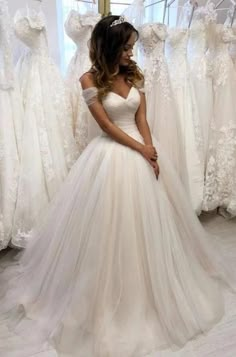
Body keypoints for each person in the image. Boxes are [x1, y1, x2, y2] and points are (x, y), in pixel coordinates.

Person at [0, 15, 234, 357]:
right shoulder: (89, 79)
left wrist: (152, 152)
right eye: (125, 47)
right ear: (109, 47)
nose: (130, 53)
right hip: (111, 156)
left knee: (151, 226)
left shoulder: (135, 75)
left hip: (143, 152)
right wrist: (139, 148)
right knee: (109, 230)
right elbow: (107, 125)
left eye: (132, 47)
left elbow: (142, 119)